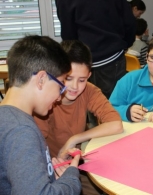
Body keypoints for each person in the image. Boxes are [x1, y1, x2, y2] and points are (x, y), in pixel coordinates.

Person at [34, 40, 124, 195]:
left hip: (78, 165)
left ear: (89, 75)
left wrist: (74, 139)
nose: (75, 86)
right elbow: (36, 151)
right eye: (68, 78)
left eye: (82, 80)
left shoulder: (89, 90)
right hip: (49, 169)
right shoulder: (46, 101)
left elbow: (116, 124)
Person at [0, 35, 81, 194]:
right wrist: (71, 177)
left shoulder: (8, 118)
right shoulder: (21, 131)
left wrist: (50, 171)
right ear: (42, 79)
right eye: (60, 85)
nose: (59, 97)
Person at [56, 0, 136, 99]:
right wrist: (124, 44)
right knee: (115, 105)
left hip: (83, 59)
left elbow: (68, 31)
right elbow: (129, 22)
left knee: (88, 105)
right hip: (111, 56)